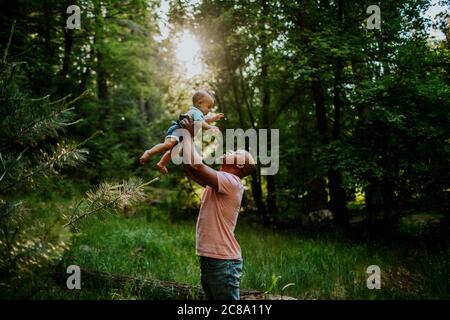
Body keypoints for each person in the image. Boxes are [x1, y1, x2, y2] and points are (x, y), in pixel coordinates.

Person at [179, 116, 255, 300]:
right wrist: (182, 137)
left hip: (223, 262)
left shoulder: (232, 182)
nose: (229, 150)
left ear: (238, 164)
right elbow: (189, 167)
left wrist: (189, 135)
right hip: (213, 260)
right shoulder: (220, 182)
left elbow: (196, 165)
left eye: (235, 152)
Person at [138, 89, 224, 174]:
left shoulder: (198, 114)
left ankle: (162, 163)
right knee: (168, 145)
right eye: (208, 107)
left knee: (174, 151)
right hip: (177, 130)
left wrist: (214, 118)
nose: (209, 110)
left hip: (182, 135)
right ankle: (149, 153)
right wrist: (210, 128)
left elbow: (204, 120)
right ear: (200, 103)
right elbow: (201, 123)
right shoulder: (196, 112)